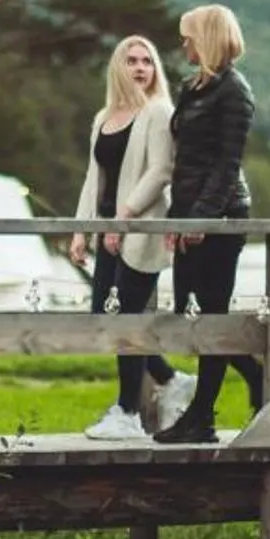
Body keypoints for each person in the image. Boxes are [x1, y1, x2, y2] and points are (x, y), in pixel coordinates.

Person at [67, 36, 193, 439]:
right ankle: (171, 380)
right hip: (108, 230)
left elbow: (161, 171)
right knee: (105, 316)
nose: (140, 68)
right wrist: (81, 230)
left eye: (148, 61)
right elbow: (94, 177)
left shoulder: (158, 112)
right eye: (132, 61)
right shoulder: (104, 117)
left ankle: (128, 413)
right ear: (117, 68)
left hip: (139, 230)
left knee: (128, 318)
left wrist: (125, 218)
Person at [153, 4, 266, 445]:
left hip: (222, 216)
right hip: (190, 212)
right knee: (194, 312)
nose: (182, 44)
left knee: (212, 315)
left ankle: (202, 417)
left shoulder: (235, 92)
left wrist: (204, 218)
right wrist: (177, 217)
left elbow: (226, 164)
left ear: (207, 37)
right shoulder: (192, 87)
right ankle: (256, 377)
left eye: (188, 36)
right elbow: (186, 161)